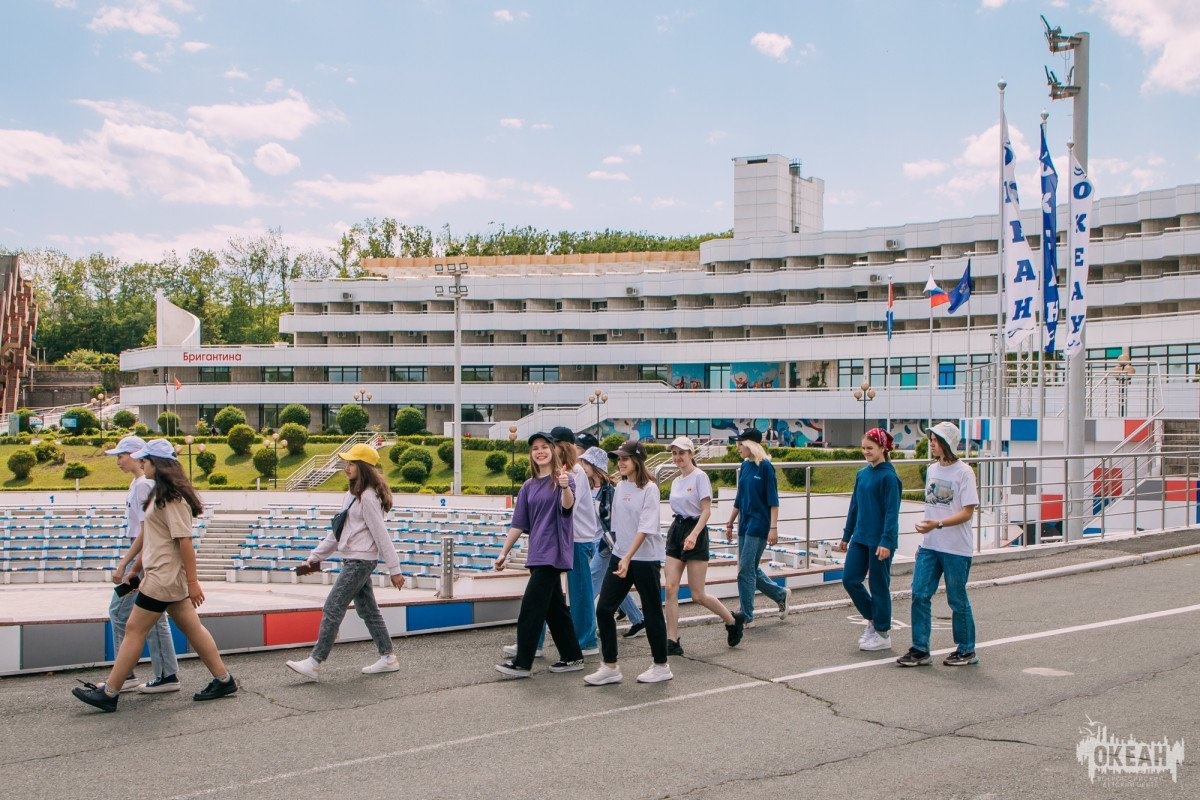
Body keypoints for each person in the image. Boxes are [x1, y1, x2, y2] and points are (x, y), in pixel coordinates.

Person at [71, 439, 236, 712]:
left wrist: (193, 583)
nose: (141, 464)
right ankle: (224, 679)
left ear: (157, 464)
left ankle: (110, 692)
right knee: (192, 628)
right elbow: (148, 533)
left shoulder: (172, 499)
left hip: (164, 578)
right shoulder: (160, 494)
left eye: (145, 460)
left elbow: (185, 542)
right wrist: (135, 568)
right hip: (163, 576)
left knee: (135, 630)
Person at [286, 443, 405, 680]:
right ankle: (388, 657)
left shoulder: (369, 497)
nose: (346, 467)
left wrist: (395, 569)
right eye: (346, 463)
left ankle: (315, 662)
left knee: (333, 606)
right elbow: (337, 532)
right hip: (354, 559)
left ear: (363, 467)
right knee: (368, 611)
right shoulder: (351, 496)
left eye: (351, 463)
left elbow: (381, 534)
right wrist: (315, 557)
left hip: (359, 561)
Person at [501, 426, 600, 660]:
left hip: (575, 538)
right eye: (540, 447)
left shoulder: (572, 473)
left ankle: (585, 640)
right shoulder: (544, 477)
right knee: (550, 598)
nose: (547, 449)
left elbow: (567, 507)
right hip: (555, 541)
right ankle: (538, 643)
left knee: (577, 593)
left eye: (551, 445)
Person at [586, 440, 672, 685]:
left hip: (644, 559)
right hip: (621, 555)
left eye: (625, 458)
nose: (620, 462)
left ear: (637, 460)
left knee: (652, 611)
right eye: (618, 459)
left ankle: (661, 665)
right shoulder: (621, 487)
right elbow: (615, 525)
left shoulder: (650, 489)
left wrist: (627, 556)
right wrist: (619, 553)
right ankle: (610, 666)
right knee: (604, 609)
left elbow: (646, 527)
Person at [898, 422, 981, 668]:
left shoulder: (964, 472)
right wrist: (928, 532)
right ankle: (920, 648)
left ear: (946, 443)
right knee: (919, 593)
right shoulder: (932, 469)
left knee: (957, 598)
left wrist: (938, 524)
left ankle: (966, 650)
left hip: (956, 547)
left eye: (934, 440)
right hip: (930, 545)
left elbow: (967, 512)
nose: (931, 443)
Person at [105, 435, 182, 694]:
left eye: (122, 455)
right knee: (152, 618)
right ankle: (164, 674)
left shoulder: (143, 486)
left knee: (120, 613)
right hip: (146, 559)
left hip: (145, 559)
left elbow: (146, 531)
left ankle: (128, 674)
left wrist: (131, 566)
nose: (119, 461)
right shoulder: (139, 484)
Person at [663, 436, 744, 655]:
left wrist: (694, 535)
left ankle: (731, 620)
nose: (677, 457)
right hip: (677, 529)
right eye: (674, 453)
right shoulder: (676, 481)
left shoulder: (700, 477)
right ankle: (672, 640)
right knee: (670, 588)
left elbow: (706, 510)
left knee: (697, 594)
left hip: (695, 531)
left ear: (691, 454)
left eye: (682, 453)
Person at [839, 428, 902, 652]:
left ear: (883, 448)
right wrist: (847, 535)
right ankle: (875, 620)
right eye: (864, 448)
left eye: (870, 448)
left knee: (878, 585)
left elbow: (892, 513)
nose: (866, 452)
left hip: (880, 541)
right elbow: (854, 506)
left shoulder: (890, 477)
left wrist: (886, 541)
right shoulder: (862, 474)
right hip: (860, 537)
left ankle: (883, 634)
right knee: (850, 580)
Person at [725, 428, 791, 625]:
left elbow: (773, 500)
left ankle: (746, 614)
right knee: (750, 568)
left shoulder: (766, 467)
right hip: (744, 523)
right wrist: (730, 522)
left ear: (750, 445)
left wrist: (773, 527)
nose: (737, 448)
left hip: (760, 524)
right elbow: (740, 497)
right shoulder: (745, 466)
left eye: (740, 444)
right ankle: (780, 595)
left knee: (744, 569)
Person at [581, 446, 646, 637]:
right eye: (582, 462)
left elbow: (616, 520)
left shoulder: (610, 490)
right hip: (590, 541)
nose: (583, 466)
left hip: (607, 544)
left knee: (590, 582)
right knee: (614, 582)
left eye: (586, 463)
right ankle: (639, 620)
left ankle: (581, 626)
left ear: (596, 465)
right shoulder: (586, 487)